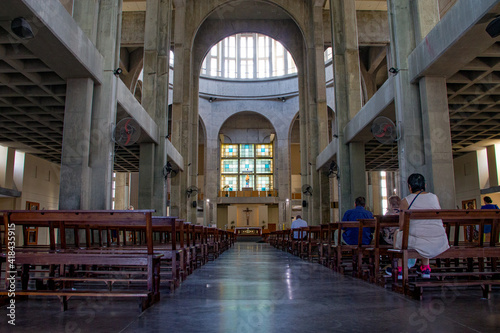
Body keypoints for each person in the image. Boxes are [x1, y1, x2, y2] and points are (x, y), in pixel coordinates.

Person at [393, 173, 450, 279]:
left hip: (420, 242)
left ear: (410, 187)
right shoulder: (434, 197)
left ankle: (400, 269)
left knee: (398, 233)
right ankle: (425, 268)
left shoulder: (406, 201)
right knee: (426, 233)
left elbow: (401, 225)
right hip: (439, 242)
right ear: (425, 185)